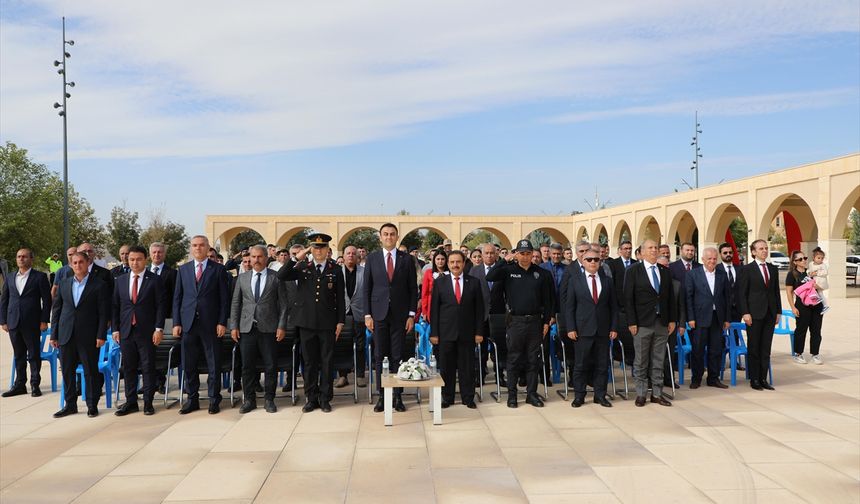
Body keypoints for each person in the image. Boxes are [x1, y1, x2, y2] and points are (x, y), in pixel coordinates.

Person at [279, 234, 345, 412]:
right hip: (306, 323)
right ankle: (311, 398)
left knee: (326, 361)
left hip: (327, 323)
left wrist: (340, 322)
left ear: (327, 250)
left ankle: (325, 398)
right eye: (315, 248)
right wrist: (298, 256)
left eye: (322, 247)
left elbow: (340, 299)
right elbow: (281, 275)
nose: (319, 251)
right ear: (311, 250)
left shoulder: (336, 269)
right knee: (309, 362)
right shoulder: (303, 267)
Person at [486, 239, 554, 408]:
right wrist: (504, 260)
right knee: (514, 358)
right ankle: (512, 395)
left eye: (528, 254)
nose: (525, 257)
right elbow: (490, 276)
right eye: (521, 253)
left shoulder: (542, 274)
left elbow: (550, 300)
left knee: (533, 359)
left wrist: (547, 322)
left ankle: (531, 394)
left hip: (535, 322)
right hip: (515, 321)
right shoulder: (508, 271)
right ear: (516, 254)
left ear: (533, 254)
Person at [362, 223, 417, 413]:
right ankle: (382, 395)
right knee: (379, 356)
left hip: (400, 315)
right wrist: (367, 315)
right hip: (378, 314)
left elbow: (412, 289)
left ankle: (397, 395)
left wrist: (411, 315)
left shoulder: (407, 259)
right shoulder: (372, 258)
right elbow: (366, 288)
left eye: (392, 234)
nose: (389, 237)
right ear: (380, 237)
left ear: (397, 236)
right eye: (385, 234)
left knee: (397, 355)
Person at [173, 235, 231, 414]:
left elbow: (224, 299)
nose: (198, 248)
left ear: (208, 248)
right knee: (189, 363)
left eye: (201, 245)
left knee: (213, 362)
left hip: (211, 324)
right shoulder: (183, 270)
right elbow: (177, 298)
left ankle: (214, 399)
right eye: (194, 245)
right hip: (188, 324)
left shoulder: (218, 270)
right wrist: (176, 322)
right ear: (191, 248)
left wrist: (222, 322)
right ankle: (192, 399)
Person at [51, 252, 110, 417]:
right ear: (71, 265)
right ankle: (70, 405)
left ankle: (92, 405)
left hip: (89, 336)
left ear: (87, 262)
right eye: (74, 263)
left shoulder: (99, 285)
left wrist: (101, 335)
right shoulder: (63, 284)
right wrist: (54, 335)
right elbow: (56, 310)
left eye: (81, 262)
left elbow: (103, 313)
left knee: (90, 371)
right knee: (67, 371)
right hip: (66, 334)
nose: (78, 265)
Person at [230, 245, 288, 414]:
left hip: (269, 328)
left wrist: (281, 326)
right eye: (253, 257)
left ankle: (269, 399)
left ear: (265, 258)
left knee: (270, 365)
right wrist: (234, 326)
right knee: (247, 366)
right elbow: (236, 304)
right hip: (247, 328)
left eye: (260, 257)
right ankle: (249, 400)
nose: (256, 260)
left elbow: (284, 305)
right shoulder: (242, 278)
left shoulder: (276, 277)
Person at [112, 245, 166, 416]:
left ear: (145, 260)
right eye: (132, 259)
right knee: (128, 368)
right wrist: (115, 329)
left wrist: (159, 328)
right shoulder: (120, 280)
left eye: (139, 259)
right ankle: (131, 401)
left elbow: (160, 307)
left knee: (148, 367)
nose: (135, 263)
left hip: (147, 331)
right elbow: (115, 306)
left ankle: (148, 402)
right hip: (126, 331)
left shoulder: (155, 280)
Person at [624, 239, 676, 407]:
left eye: (656, 247)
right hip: (641, 323)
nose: (654, 250)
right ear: (642, 252)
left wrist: (672, 319)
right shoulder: (633, 271)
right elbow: (628, 299)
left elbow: (670, 299)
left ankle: (657, 393)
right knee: (641, 360)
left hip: (661, 322)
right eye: (650, 248)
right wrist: (631, 322)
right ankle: (640, 394)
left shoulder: (664, 271)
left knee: (658, 359)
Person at [564, 246, 617, 408]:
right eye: (589, 259)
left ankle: (600, 395)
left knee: (602, 364)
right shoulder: (575, 281)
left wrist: (614, 327)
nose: (593, 262)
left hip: (603, 330)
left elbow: (613, 307)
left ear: (600, 262)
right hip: (582, 330)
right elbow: (569, 307)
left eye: (596, 259)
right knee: (581, 365)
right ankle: (579, 395)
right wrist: (571, 328)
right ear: (582, 261)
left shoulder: (607, 281)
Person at [429, 250, 484, 408]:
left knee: (467, 367)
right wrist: (434, 333)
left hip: (467, 333)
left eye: (458, 262)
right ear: (448, 264)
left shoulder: (473, 282)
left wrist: (479, 332)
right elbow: (435, 310)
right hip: (446, 333)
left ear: (464, 263)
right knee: (447, 367)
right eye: (452, 262)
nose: (455, 265)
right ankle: (447, 397)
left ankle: (468, 397)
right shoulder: (440, 282)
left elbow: (479, 309)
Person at [1, 248, 51, 397]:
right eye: (18, 257)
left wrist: (44, 320)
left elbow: (47, 301)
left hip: (32, 322)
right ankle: (20, 384)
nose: (21, 259)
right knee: (19, 354)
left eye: (24, 256)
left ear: (31, 259)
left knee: (34, 355)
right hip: (13, 321)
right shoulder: (10, 277)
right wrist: (3, 320)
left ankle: (35, 384)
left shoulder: (40, 277)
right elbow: (4, 300)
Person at [738, 239, 781, 390]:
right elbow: (741, 294)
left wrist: (778, 312)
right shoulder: (746, 269)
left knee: (765, 348)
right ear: (754, 252)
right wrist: (745, 313)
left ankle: (763, 378)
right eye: (761, 248)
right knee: (754, 348)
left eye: (766, 248)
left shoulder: (772, 269)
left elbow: (776, 292)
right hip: (754, 314)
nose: (764, 250)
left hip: (770, 313)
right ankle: (754, 379)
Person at [684, 247, 730, 389]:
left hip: (717, 318)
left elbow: (727, 298)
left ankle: (713, 378)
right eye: (709, 258)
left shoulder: (722, 275)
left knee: (716, 350)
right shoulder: (693, 274)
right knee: (698, 350)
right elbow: (688, 298)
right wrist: (690, 318)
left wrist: (727, 319)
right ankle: (696, 378)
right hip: (699, 319)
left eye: (714, 259)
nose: (712, 261)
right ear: (703, 259)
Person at [470, 243, 507, 386]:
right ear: (482, 254)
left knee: (500, 348)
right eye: (487, 253)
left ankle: (500, 376)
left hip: (499, 315)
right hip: (481, 315)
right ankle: (480, 376)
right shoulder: (474, 271)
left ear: (496, 254)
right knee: (481, 349)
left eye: (492, 253)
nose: (489, 255)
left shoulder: (503, 270)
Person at [335, 245, 367, 388]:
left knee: (360, 345)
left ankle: (360, 375)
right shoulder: (336, 272)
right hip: (342, 314)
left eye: (353, 254)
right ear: (343, 255)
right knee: (342, 346)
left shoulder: (365, 272)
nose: (351, 256)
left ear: (357, 257)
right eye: (348, 253)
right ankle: (343, 376)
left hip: (359, 314)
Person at [785, 250, 824, 365]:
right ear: (794, 262)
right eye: (800, 259)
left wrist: (817, 285)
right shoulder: (792, 274)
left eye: (805, 258)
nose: (804, 261)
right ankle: (798, 353)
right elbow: (789, 292)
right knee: (801, 330)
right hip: (802, 306)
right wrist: (793, 307)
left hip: (816, 304)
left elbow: (819, 286)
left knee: (816, 330)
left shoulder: (810, 272)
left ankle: (815, 354)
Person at [607, 240, 637, 366]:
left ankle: (632, 361)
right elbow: (611, 285)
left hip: (633, 306)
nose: (628, 250)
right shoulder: (613, 264)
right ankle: (621, 357)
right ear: (620, 250)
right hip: (619, 307)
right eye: (625, 248)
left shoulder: (636, 264)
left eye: (630, 248)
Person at [540, 243, 565, 385]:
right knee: (545, 347)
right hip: (546, 313)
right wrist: (550, 315)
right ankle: (545, 376)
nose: (556, 256)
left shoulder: (566, 269)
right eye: (553, 254)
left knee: (562, 345)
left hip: (562, 312)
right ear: (549, 253)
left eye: (558, 254)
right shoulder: (542, 269)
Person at [420, 250, 448, 321]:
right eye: (438, 259)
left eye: (442, 259)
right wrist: (424, 311)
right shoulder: (428, 273)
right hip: (432, 305)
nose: (440, 261)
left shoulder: (450, 273)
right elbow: (424, 293)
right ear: (434, 260)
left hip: (447, 306)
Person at [807, 247, 830, 314]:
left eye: (822, 258)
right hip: (814, 281)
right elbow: (809, 270)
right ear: (814, 258)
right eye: (818, 258)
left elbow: (825, 272)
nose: (820, 260)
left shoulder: (823, 265)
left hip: (821, 282)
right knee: (814, 291)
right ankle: (817, 300)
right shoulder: (811, 264)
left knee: (820, 293)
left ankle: (825, 305)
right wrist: (809, 273)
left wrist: (816, 273)